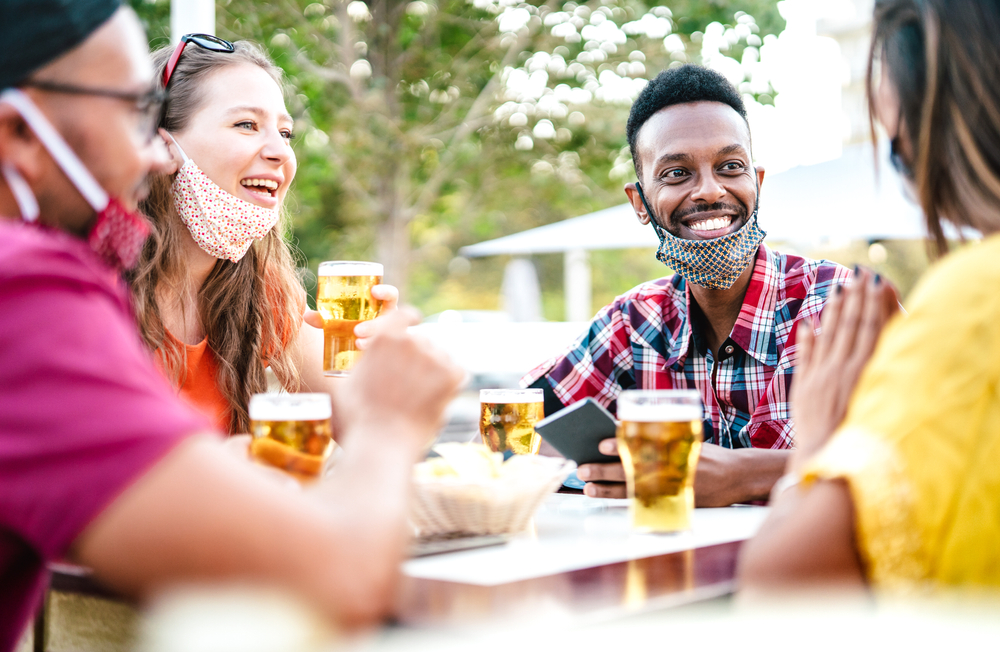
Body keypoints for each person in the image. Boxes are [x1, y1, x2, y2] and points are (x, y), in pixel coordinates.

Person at [0, 3, 464, 649]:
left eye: (287, 132)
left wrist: (370, 369)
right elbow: (338, 580)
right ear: (19, 133)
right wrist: (390, 423)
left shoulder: (249, 290)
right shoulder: (25, 292)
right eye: (132, 114)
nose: (155, 157)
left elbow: (347, 404)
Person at [739, 0, 1000, 591]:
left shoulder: (969, 300)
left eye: (900, 152)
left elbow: (782, 591)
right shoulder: (632, 316)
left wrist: (815, 451)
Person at [524, 65, 851, 506]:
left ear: (757, 181)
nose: (710, 191)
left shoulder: (840, 306)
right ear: (640, 202)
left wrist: (749, 475)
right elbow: (513, 433)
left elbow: (933, 452)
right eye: (677, 173)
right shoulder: (632, 323)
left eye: (730, 166)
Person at [129, 36, 395, 433]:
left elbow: (366, 431)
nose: (281, 153)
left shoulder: (259, 289)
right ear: (160, 145)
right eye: (246, 125)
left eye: (285, 133)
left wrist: (377, 367)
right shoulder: (86, 287)